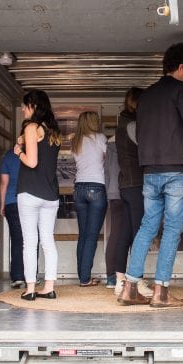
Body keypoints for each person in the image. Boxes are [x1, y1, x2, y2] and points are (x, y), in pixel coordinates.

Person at [118, 43, 183, 308]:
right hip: (177, 170)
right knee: (172, 229)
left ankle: (129, 289)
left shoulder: (145, 97)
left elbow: (143, 134)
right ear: (180, 68)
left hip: (150, 172)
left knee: (147, 226)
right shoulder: (182, 91)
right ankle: (161, 293)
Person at [15, 90, 62, 301]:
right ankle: (49, 287)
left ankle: (31, 288)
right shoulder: (53, 131)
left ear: (33, 106)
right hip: (51, 195)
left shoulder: (31, 127)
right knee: (47, 240)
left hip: (30, 192)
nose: (23, 109)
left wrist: (19, 152)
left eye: (25, 105)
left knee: (30, 241)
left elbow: (32, 162)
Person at [113, 87, 153, 298]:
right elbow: (148, 149)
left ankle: (121, 281)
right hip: (137, 185)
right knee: (140, 235)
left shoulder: (122, 123)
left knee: (126, 234)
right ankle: (135, 282)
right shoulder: (133, 126)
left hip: (126, 186)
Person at [71, 111, 108, 286]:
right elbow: (109, 159)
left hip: (79, 188)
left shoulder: (75, 141)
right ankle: (85, 278)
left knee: (83, 235)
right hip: (96, 187)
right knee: (92, 236)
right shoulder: (100, 138)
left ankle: (83, 276)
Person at [0, 149, 25, 289]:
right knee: (31, 239)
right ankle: (30, 276)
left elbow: (4, 183)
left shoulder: (8, 156)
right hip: (28, 201)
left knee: (16, 239)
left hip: (11, 201)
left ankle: (17, 277)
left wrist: (2, 204)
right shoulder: (33, 154)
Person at [103, 133, 123, 289]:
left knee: (115, 233)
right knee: (133, 234)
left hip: (113, 193)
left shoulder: (109, 145)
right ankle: (129, 276)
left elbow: (107, 172)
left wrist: (109, 193)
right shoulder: (134, 138)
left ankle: (111, 277)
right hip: (131, 191)